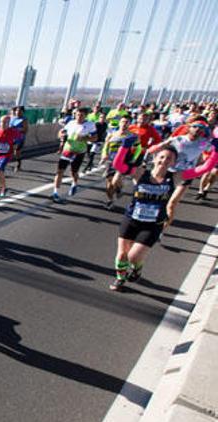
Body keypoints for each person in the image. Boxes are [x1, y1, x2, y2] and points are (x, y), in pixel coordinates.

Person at [110, 147, 184, 291]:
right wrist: (124, 147)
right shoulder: (140, 173)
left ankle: (137, 268)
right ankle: (120, 279)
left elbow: (203, 168)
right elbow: (118, 165)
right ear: (155, 158)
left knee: (133, 256)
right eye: (161, 157)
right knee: (122, 253)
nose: (164, 161)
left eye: (169, 158)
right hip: (131, 219)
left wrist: (215, 153)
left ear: (174, 162)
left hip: (153, 225)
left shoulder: (175, 178)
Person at [54, 107, 97, 203]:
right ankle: (55, 193)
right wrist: (60, 134)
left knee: (74, 172)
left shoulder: (90, 125)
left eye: (81, 115)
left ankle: (74, 183)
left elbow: (95, 138)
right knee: (60, 171)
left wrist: (85, 138)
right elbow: (61, 132)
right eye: (77, 115)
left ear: (86, 116)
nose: (79, 117)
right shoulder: (71, 123)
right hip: (67, 150)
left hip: (79, 151)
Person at [102, 116, 142, 209]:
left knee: (115, 180)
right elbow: (106, 146)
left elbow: (138, 148)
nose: (124, 124)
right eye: (123, 122)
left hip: (123, 161)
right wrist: (104, 154)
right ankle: (110, 200)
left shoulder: (133, 136)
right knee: (109, 185)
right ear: (119, 123)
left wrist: (134, 158)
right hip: (111, 160)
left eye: (127, 122)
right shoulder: (112, 135)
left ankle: (119, 188)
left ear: (129, 124)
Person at [0, 115, 20, 199]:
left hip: (6, 155)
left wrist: (15, 146)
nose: (3, 124)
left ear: (9, 123)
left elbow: (18, 141)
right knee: (0, 174)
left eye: (6, 122)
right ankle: (4, 188)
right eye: (2, 122)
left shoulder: (13, 131)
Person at [9, 106, 29, 172]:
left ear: (23, 112)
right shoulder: (13, 118)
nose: (18, 112)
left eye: (20, 111)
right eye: (17, 111)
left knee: (16, 153)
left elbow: (25, 130)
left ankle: (18, 165)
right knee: (9, 152)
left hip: (20, 139)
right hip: (11, 138)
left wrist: (16, 129)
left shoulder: (24, 119)